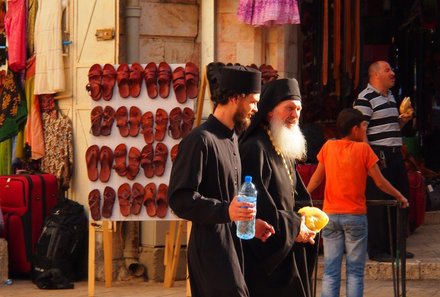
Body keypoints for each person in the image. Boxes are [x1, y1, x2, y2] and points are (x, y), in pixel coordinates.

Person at [168, 65, 274, 297]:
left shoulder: (233, 138)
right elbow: (180, 199)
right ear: (235, 97)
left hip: (233, 246)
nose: (256, 109)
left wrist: (248, 225)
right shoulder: (200, 140)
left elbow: (229, 198)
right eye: (253, 102)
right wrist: (226, 211)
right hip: (210, 251)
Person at [307, 108, 409, 297]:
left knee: (330, 270)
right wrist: (400, 196)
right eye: (363, 127)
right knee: (354, 272)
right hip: (355, 216)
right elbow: (380, 182)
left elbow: (316, 179)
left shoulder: (329, 147)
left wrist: (304, 195)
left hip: (330, 216)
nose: (365, 131)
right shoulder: (364, 149)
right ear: (354, 129)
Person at [239, 78, 318, 297]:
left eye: (299, 109)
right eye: (289, 108)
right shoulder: (254, 148)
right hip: (268, 259)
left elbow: (297, 195)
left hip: (289, 249)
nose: (295, 115)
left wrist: (307, 220)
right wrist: (294, 228)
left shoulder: (281, 145)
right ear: (270, 112)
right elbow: (257, 207)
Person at [353, 60, 414, 262]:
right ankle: (378, 250)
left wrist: (403, 119)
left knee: (400, 198)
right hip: (379, 155)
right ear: (376, 75)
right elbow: (361, 132)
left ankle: (397, 247)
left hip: (395, 154)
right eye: (387, 69)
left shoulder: (391, 97)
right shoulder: (365, 98)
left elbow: (389, 128)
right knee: (379, 202)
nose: (392, 72)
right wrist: (370, 159)